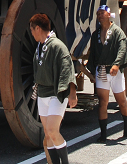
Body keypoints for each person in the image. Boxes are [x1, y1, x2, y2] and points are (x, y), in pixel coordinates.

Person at [30, 13, 77, 164]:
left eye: (31, 30)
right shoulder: (40, 46)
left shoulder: (57, 45)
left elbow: (67, 68)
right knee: (48, 135)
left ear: (37, 28)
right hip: (42, 94)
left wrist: (72, 93)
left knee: (52, 131)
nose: (31, 33)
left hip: (56, 94)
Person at [86, 5, 127, 142]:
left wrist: (117, 64)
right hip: (101, 71)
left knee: (122, 100)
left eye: (102, 13)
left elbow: (122, 48)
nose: (100, 15)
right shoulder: (96, 34)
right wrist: (91, 70)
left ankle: (126, 125)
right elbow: (92, 53)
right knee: (102, 102)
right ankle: (103, 134)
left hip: (115, 72)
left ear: (109, 14)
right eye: (98, 13)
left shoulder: (117, 32)